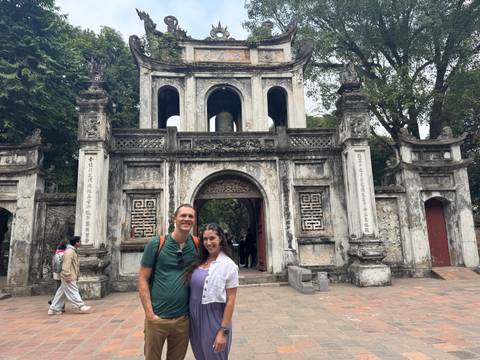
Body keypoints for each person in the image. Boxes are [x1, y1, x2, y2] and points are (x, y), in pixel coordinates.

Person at [138, 204, 199, 360]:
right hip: (157, 318)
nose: (187, 219)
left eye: (190, 216)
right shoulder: (157, 244)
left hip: (182, 319)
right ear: (174, 218)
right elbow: (143, 278)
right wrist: (150, 314)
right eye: (183, 215)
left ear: (194, 220)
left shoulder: (197, 245)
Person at [188, 223, 239, 360]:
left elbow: (231, 301)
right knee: (200, 356)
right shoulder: (199, 261)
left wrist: (224, 331)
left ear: (220, 239)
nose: (208, 243)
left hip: (214, 319)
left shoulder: (228, 266)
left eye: (212, 238)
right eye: (205, 239)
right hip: (195, 319)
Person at [48, 236, 91, 315]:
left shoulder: (72, 251)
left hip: (69, 275)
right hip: (68, 275)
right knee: (73, 291)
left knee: (61, 293)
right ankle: (80, 305)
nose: (80, 243)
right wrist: (67, 275)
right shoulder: (70, 252)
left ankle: (53, 308)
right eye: (79, 241)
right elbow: (66, 265)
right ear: (76, 243)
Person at [48, 240, 67, 312]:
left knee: (58, 289)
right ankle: (58, 305)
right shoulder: (64, 254)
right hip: (62, 273)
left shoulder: (56, 253)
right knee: (62, 290)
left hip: (56, 273)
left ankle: (58, 305)